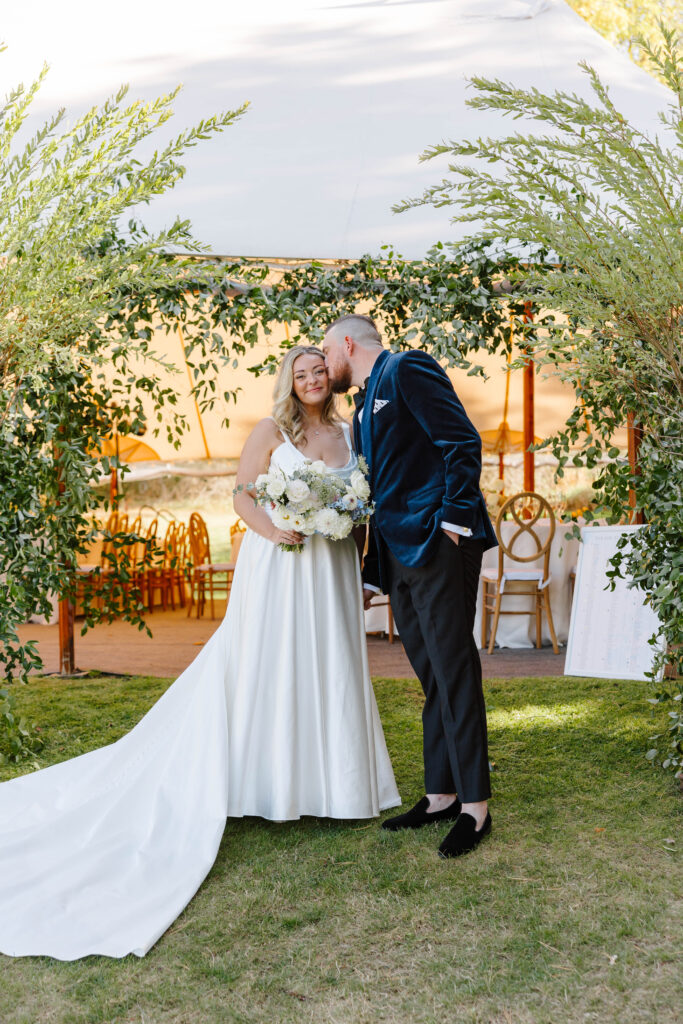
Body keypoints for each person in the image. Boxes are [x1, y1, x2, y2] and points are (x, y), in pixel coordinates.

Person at [0, 345, 399, 960]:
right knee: (265, 670)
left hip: (331, 570)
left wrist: (361, 556)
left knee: (331, 670)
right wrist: (274, 528)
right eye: (302, 372)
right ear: (289, 381)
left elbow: (361, 507)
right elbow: (242, 497)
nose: (314, 378)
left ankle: (333, 786)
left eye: (320, 370)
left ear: (333, 377)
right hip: (280, 564)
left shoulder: (351, 434)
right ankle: (265, 784)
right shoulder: (271, 430)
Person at [322, 315, 497, 858]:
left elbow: (462, 444)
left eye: (326, 353)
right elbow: (381, 488)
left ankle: (475, 808)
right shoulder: (364, 400)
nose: (325, 365)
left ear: (347, 343)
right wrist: (375, 570)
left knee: (453, 666)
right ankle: (441, 794)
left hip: (438, 543)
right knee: (429, 672)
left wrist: (451, 523)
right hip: (399, 555)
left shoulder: (407, 369)